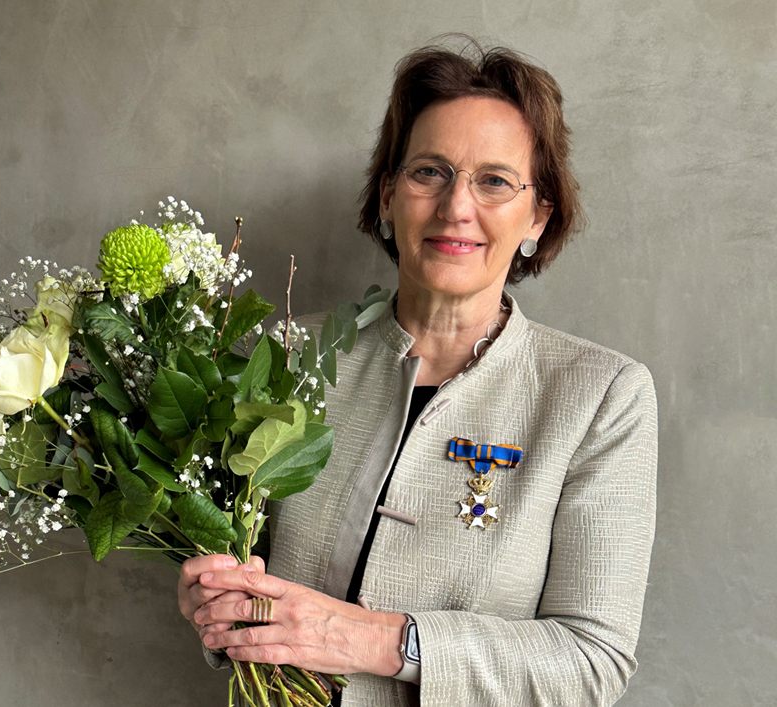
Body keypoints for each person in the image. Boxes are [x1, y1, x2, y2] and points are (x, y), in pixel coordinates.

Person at [177, 37, 658, 707]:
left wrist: (371, 639)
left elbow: (590, 662)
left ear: (538, 215)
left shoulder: (601, 396)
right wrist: (219, 601)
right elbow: (238, 566)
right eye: (429, 172)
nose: (456, 206)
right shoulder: (284, 353)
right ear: (386, 197)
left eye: (494, 180)